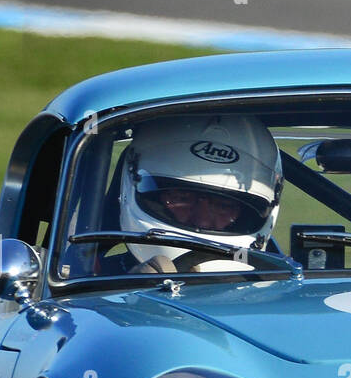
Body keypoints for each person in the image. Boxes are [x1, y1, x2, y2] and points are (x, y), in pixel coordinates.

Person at [118, 113, 283, 273]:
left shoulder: (283, 292)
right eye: (182, 198)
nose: (202, 219)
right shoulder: (95, 289)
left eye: (223, 205)